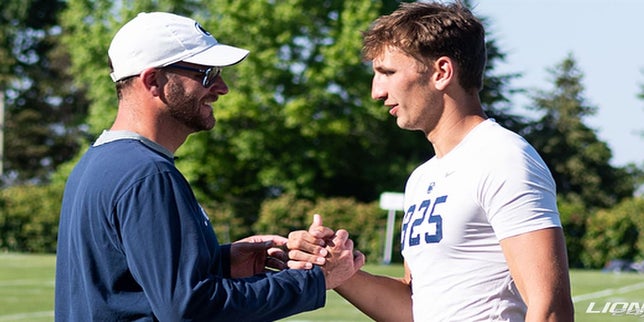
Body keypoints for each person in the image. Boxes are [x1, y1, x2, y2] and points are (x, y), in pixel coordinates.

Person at [55, 12, 364, 321]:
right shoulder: (148, 174)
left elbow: (128, 281)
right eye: (206, 73)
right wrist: (315, 279)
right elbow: (190, 308)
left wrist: (223, 262)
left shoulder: (98, 162)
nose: (222, 87)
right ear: (153, 81)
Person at [288, 1, 574, 321]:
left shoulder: (504, 158)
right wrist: (337, 271)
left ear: (441, 72)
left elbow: (549, 308)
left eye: (388, 73)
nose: (376, 92)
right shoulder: (422, 178)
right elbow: (417, 306)